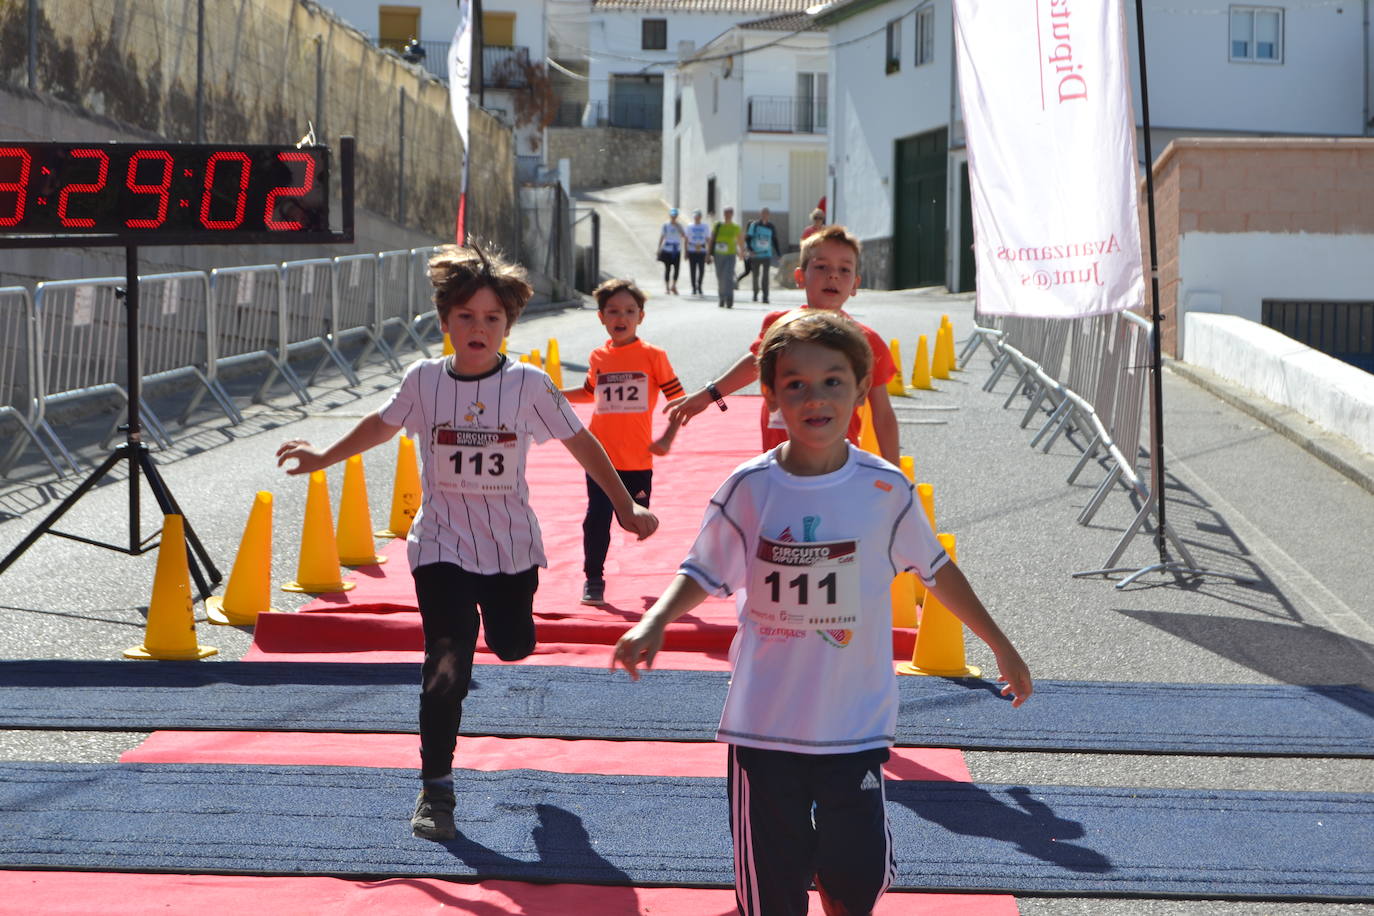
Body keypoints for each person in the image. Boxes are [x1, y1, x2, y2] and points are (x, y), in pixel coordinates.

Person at [612, 311, 1032, 916]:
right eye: (796, 384)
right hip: (763, 727)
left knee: (854, 885)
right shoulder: (749, 488)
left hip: (853, 724)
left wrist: (999, 644)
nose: (816, 398)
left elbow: (937, 570)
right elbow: (703, 569)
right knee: (774, 897)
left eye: (833, 381)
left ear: (861, 390)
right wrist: (654, 622)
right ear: (771, 394)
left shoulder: (884, 490)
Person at [275, 243, 659, 842]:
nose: (478, 328)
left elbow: (582, 442)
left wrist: (625, 504)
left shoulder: (529, 384)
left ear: (508, 325)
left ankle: (511, 630)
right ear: (444, 321)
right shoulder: (424, 380)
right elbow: (382, 423)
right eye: (466, 317)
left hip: (510, 549)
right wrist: (322, 455)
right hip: (441, 546)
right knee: (447, 661)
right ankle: (436, 790)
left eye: (492, 319)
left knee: (510, 646)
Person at [668, 225, 903, 464]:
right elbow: (756, 364)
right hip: (777, 463)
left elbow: (883, 415)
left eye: (844, 269)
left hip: (836, 467)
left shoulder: (867, 341)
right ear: (800, 277)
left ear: (855, 284)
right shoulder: (779, 325)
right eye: (821, 266)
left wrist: (896, 478)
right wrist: (708, 395)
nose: (833, 275)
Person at [562, 278, 686, 605]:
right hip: (600, 456)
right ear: (601, 317)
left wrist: (667, 438)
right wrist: (555, 394)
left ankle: (632, 514)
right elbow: (591, 393)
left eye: (630, 311)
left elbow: (679, 401)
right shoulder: (598, 356)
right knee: (596, 517)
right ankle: (593, 578)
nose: (622, 317)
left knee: (633, 520)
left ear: (641, 317)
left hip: (638, 459)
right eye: (614, 311)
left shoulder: (653, 356)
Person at [743, 207, 782, 304]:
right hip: (755, 255)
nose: (765, 215)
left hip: (766, 255)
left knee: (765, 277)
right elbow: (747, 238)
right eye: (763, 213)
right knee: (755, 275)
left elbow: (774, 240)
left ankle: (765, 296)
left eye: (766, 214)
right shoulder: (754, 225)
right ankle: (755, 294)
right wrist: (750, 250)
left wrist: (779, 254)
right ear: (760, 214)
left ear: (769, 215)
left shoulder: (771, 226)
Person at [708, 206, 744, 309]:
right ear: (723, 214)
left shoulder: (735, 227)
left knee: (728, 276)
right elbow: (711, 239)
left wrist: (741, 252)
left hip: (730, 254)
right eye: (725, 213)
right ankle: (721, 297)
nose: (727, 215)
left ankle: (729, 298)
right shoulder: (718, 225)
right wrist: (708, 254)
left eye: (729, 213)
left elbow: (740, 239)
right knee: (720, 276)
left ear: (732, 215)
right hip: (718, 254)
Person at [657, 208, 684, 295]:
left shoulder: (679, 225)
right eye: (672, 216)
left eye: (675, 216)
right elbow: (662, 237)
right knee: (667, 269)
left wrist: (678, 227)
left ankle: (674, 285)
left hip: (676, 250)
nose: (673, 218)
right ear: (670, 216)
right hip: (667, 249)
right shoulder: (665, 225)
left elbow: (683, 235)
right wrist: (659, 248)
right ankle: (667, 287)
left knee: (676, 269)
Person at [683, 209, 710, 296]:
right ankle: (694, 287)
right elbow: (686, 240)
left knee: (701, 270)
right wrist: (686, 251)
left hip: (701, 250)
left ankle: (700, 286)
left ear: (700, 217)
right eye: (695, 217)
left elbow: (708, 239)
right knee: (693, 270)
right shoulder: (690, 226)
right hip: (692, 250)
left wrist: (709, 253)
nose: (696, 218)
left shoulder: (705, 226)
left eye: (698, 217)